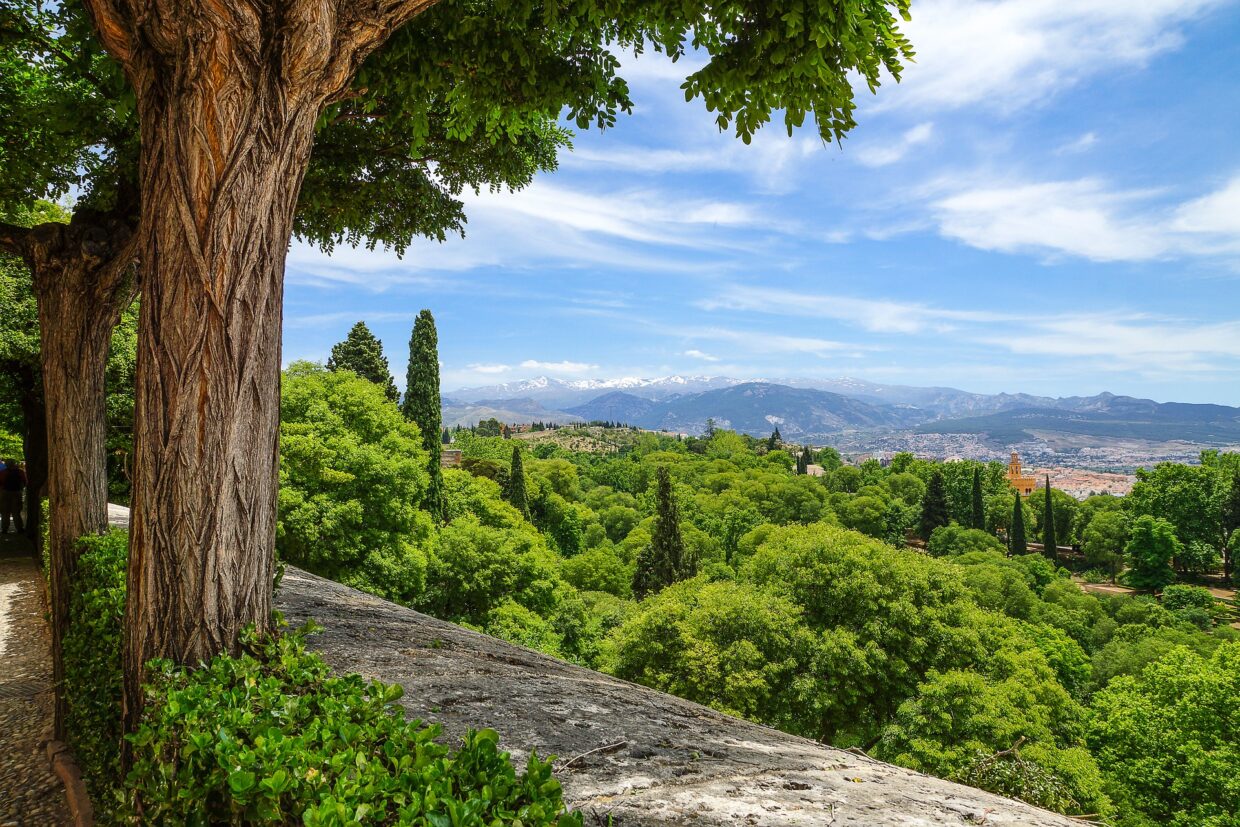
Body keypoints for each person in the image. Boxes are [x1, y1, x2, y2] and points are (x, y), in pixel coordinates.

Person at [0, 459, 25, 534]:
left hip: (5, 493)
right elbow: (25, 482)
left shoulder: (3, 472)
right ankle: (19, 528)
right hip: (17, 493)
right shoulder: (20, 472)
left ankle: (4, 529)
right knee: (16, 512)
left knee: (5, 512)